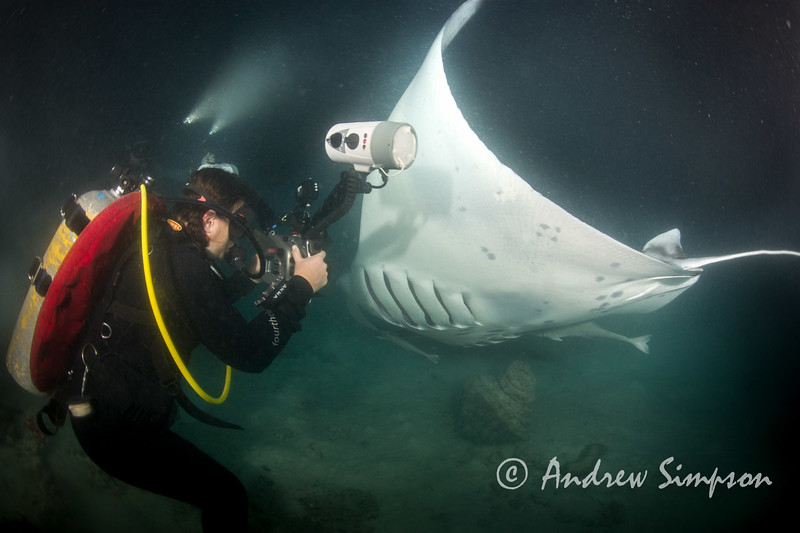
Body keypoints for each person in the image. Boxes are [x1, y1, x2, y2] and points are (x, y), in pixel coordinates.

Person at [67, 164, 328, 531]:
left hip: (96, 406)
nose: (238, 236)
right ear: (209, 220)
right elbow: (248, 353)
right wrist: (301, 288)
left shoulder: (163, 241)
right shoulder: (187, 265)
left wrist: (247, 277)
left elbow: (190, 307)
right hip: (114, 429)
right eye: (236, 222)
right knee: (226, 495)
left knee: (219, 493)